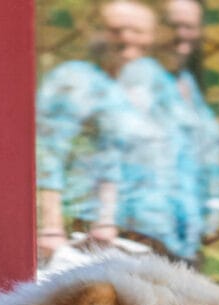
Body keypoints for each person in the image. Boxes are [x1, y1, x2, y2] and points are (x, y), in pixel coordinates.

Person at [36, 1, 185, 262]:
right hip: (89, 230)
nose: (127, 39)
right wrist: (50, 228)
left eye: (138, 32)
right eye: (117, 30)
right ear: (95, 32)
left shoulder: (148, 79)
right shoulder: (74, 78)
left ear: (152, 36)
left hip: (147, 230)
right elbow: (48, 153)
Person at [159, 0, 219, 260]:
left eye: (190, 26)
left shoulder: (187, 81)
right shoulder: (141, 79)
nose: (181, 34)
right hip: (151, 233)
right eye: (173, 25)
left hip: (189, 231)